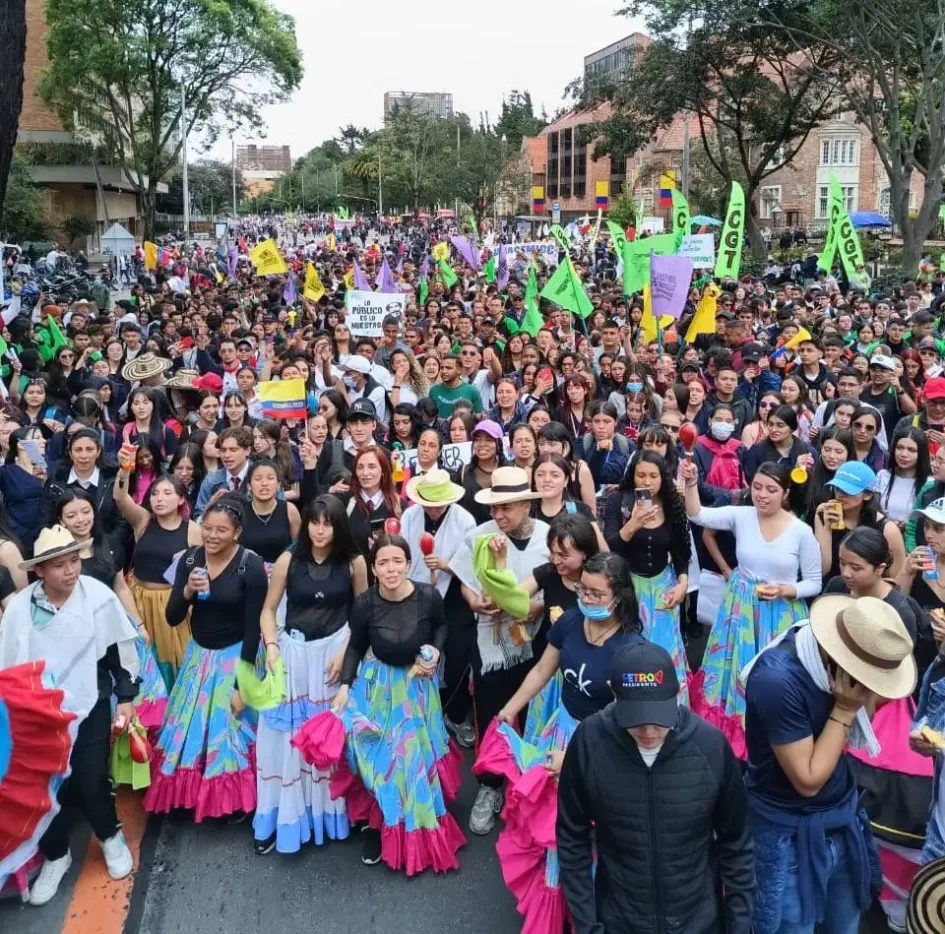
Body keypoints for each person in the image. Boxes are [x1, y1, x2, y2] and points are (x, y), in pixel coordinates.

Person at [476, 551, 645, 934]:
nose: (586, 599)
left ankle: (590, 904)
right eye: (583, 590)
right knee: (557, 826)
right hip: (561, 730)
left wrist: (576, 758)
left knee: (593, 829)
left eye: (596, 594)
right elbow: (541, 670)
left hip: (601, 746)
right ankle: (557, 901)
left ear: (619, 596)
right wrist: (509, 710)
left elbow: (633, 721)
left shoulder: (634, 650)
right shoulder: (570, 621)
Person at [743, 595, 916, 934]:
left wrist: (857, 699)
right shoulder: (778, 680)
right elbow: (808, 780)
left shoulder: (842, 671)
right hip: (790, 836)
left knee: (845, 925)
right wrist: (845, 710)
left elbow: (867, 712)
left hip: (841, 821)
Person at [557, 641, 754, 934]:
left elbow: (737, 844)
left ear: (679, 693)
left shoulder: (711, 746)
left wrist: (739, 927)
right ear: (613, 692)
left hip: (699, 923)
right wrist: (587, 926)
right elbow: (572, 838)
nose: (649, 732)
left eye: (659, 719)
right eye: (636, 720)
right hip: (619, 923)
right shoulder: (589, 742)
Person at [0, 526, 140, 905]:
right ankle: (56, 854)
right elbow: (9, 663)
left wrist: (126, 697)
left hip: (91, 700)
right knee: (44, 787)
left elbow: (118, 651)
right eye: (59, 565)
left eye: (74, 561)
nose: (70, 571)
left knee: (91, 778)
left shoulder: (97, 597)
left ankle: (110, 836)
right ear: (39, 571)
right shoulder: (20, 610)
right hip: (38, 711)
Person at [323, 534, 464, 872]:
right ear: (373, 568)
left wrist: (435, 651)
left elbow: (441, 627)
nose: (391, 569)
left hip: (417, 688)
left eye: (397, 561)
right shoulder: (364, 604)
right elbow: (356, 646)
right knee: (382, 760)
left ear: (408, 563)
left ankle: (416, 819)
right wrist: (345, 687)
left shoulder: (428, 596)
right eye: (383, 562)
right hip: (379, 688)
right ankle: (381, 821)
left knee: (412, 760)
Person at [681, 459, 822, 758]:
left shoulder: (801, 532)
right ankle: (732, 729)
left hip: (781, 613)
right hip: (740, 609)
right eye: (757, 487)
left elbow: (814, 582)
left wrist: (785, 590)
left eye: (771, 489)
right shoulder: (741, 515)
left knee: (776, 674)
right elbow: (697, 514)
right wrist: (691, 483)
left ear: (786, 493)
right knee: (733, 669)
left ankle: (776, 732)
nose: (762, 495)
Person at [252, 495, 368, 856]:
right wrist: (272, 646)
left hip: (333, 656)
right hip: (293, 655)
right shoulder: (289, 560)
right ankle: (282, 817)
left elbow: (363, 613)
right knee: (285, 739)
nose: (320, 530)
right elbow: (268, 610)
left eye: (328, 524)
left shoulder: (354, 563)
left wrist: (346, 649)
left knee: (329, 738)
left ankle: (331, 816)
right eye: (314, 523)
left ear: (339, 527)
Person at [144, 496, 268, 821]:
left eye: (221, 530)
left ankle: (233, 801)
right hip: (198, 656)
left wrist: (242, 686)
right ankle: (190, 793)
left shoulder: (251, 566)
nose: (212, 536)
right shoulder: (189, 559)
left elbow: (253, 629)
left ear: (237, 533)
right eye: (208, 528)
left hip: (235, 656)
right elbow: (172, 617)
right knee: (191, 730)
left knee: (227, 732)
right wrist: (186, 590)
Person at [449, 466, 550, 835]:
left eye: (506, 507)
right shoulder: (479, 536)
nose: (498, 515)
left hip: (538, 641)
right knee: (492, 712)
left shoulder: (549, 538)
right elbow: (463, 581)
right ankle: (491, 785)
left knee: (536, 714)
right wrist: (474, 601)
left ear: (526, 505)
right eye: (494, 507)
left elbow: (561, 586)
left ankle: (531, 785)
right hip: (490, 643)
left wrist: (532, 608)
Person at [603, 451, 692, 699]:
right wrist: (633, 525)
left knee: (663, 651)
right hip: (629, 587)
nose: (647, 481)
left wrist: (683, 584)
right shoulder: (618, 501)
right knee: (630, 651)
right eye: (641, 475)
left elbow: (682, 553)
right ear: (632, 476)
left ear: (663, 477)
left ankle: (669, 705)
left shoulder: (672, 503)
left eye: (654, 476)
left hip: (664, 587)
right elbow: (607, 551)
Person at [399, 468, 477, 747]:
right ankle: (416, 712)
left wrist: (446, 565)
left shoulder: (464, 520)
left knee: (457, 658)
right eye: (428, 505)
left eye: (438, 505)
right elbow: (402, 553)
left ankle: (455, 714)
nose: (433, 511)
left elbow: (470, 565)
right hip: (416, 593)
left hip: (454, 594)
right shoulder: (410, 517)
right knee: (417, 653)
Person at [115, 463, 201, 687]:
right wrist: (124, 470)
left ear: (181, 499)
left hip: (171, 603)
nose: (159, 499)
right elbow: (121, 498)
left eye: (167, 493)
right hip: (137, 600)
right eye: (154, 493)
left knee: (173, 661)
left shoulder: (193, 530)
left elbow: (204, 570)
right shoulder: (143, 520)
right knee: (140, 659)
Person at [813, 460, 905, 581]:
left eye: (847, 491)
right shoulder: (824, 515)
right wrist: (827, 527)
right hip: (832, 585)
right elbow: (822, 569)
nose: (840, 494)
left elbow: (897, 576)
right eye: (837, 488)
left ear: (867, 495)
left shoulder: (887, 529)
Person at [239, 457, 301, 565]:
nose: (264, 483)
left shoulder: (290, 510)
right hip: (249, 571)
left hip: (283, 570)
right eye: (258, 479)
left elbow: (299, 549)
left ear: (278, 484)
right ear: (249, 485)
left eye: (270, 478)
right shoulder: (240, 512)